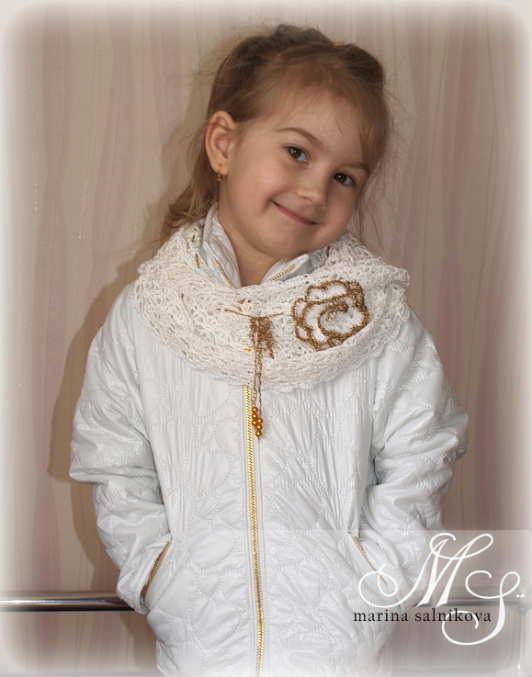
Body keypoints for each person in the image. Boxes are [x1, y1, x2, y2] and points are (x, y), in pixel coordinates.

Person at [70, 24, 467, 677]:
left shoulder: (375, 321)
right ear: (223, 144)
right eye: (296, 152)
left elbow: (423, 452)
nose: (316, 190)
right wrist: (158, 574)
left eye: (344, 176)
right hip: (199, 654)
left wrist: (377, 581)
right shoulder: (149, 316)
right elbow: (114, 461)